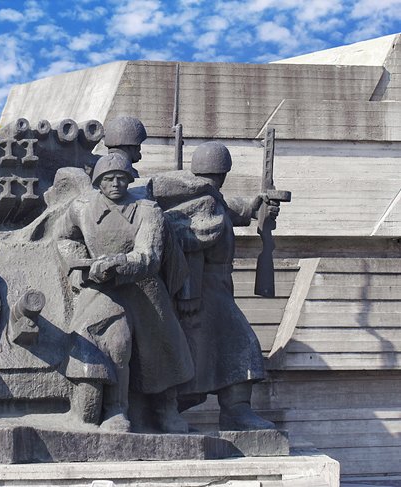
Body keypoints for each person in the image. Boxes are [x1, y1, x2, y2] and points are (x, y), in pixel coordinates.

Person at [56, 152, 194, 433]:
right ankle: (116, 409)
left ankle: (166, 409)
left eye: (122, 178)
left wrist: (119, 263)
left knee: (162, 350)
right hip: (102, 288)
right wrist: (78, 266)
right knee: (113, 345)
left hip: (144, 289)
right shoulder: (82, 208)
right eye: (109, 179)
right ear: (98, 182)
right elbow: (64, 237)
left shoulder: (147, 210)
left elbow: (150, 255)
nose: (116, 183)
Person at [152, 141, 280, 430]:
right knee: (242, 343)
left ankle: (216, 410)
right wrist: (189, 293)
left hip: (213, 287)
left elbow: (227, 210)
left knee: (205, 352)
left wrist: (254, 206)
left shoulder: (208, 199)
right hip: (205, 290)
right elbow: (193, 245)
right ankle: (235, 411)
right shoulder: (205, 203)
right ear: (224, 172)